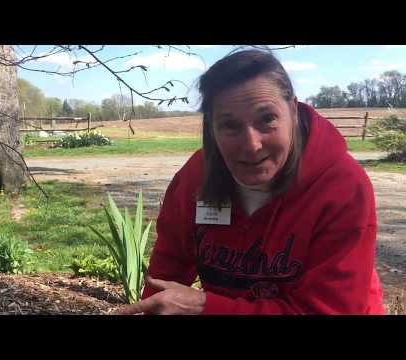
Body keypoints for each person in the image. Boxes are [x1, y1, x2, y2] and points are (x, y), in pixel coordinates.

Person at [117, 48, 385, 315]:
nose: (252, 145)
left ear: (292, 111)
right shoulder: (195, 177)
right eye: (230, 125)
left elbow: (330, 310)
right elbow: (168, 271)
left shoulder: (342, 187)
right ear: (211, 127)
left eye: (267, 119)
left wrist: (206, 308)